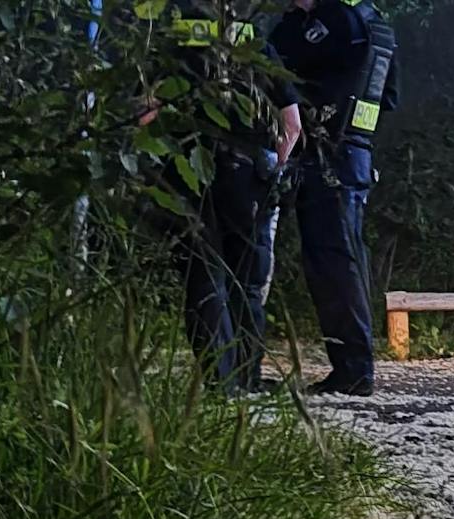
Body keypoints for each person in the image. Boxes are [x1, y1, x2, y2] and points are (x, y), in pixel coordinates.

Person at [151, 2, 301, 395]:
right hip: (249, 176)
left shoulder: (176, 46)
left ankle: (220, 381)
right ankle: (247, 377)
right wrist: (274, 167)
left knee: (203, 276)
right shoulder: (256, 45)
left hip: (190, 171)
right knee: (247, 282)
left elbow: (147, 111)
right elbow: (293, 124)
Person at [269, 0, 397, 397]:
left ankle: (355, 370)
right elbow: (388, 96)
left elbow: (280, 72)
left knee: (334, 263)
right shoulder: (368, 18)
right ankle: (351, 367)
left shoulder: (334, 21)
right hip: (349, 152)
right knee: (336, 260)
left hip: (331, 154)